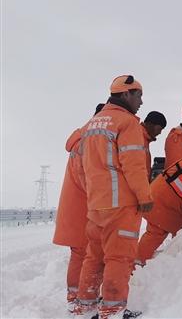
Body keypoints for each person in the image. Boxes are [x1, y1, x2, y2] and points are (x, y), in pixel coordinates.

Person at [74, 75, 153, 319]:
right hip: (121, 205)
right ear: (126, 94)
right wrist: (144, 195)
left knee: (94, 257)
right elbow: (134, 165)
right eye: (139, 95)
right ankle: (112, 309)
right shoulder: (127, 123)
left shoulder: (93, 123)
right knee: (120, 257)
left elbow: (79, 165)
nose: (141, 102)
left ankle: (85, 305)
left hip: (97, 205)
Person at [52, 103, 104, 313]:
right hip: (82, 207)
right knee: (81, 252)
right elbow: (86, 178)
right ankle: (76, 297)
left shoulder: (84, 138)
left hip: (80, 206)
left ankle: (79, 295)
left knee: (83, 252)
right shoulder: (85, 141)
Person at [142, 111, 167, 179]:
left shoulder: (144, 140)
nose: (160, 132)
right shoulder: (138, 138)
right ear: (150, 124)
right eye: (159, 129)